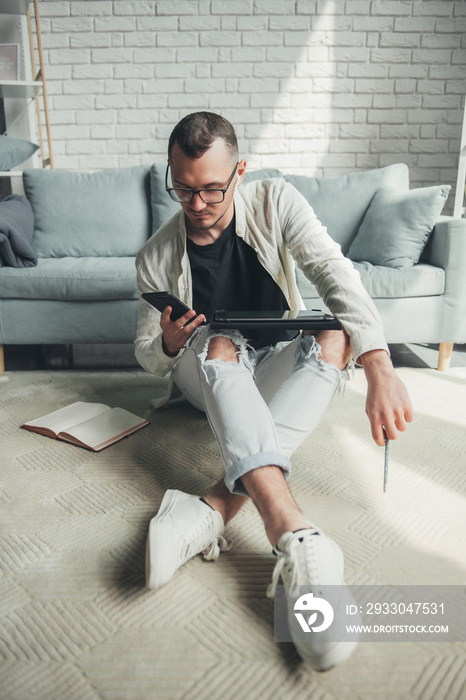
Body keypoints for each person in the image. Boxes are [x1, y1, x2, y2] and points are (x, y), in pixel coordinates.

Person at [135, 111, 413, 670]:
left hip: (270, 365)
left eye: (212, 189)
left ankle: (212, 506)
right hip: (204, 370)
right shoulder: (154, 258)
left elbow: (334, 273)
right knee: (220, 341)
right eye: (183, 189)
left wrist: (378, 361)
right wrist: (166, 343)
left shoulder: (277, 201)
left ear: (240, 172)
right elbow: (145, 357)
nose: (197, 205)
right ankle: (294, 532)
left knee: (335, 334)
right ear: (171, 176)